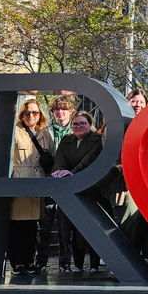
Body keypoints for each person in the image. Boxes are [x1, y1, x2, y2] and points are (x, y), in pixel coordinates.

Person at [52, 110, 105, 272]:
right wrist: (59, 170)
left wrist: (72, 172)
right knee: (67, 227)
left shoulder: (97, 139)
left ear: (90, 125)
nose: (78, 126)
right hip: (68, 189)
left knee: (91, 227)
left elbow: (88, 160)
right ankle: (72, 264)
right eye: (75, 123)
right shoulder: (67, 140)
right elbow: (59, 159)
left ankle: (94, 264)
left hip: (90, 188)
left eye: (83, 123)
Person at [9, 99, 54, 276]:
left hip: (38, 184)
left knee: (32, 226)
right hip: (20, 181)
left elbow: (52, 156)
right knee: (17, 225)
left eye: (35, 113)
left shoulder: (45, 133)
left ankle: (28, 261)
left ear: (40, 115)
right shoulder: (16, 132)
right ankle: (17, 262)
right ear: (22, 114)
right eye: (27, 113)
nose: (31, 116)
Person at [37, 94, 76, 273]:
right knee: (45, 223)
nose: (60, 112)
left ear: (71, 112)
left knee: (65, 225)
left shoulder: (77, 129)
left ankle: (65, 261)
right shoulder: (45, 130)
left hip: (69, 183)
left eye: (64, 109)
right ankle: (41, 260)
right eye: (57, 109)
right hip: (49, 181)